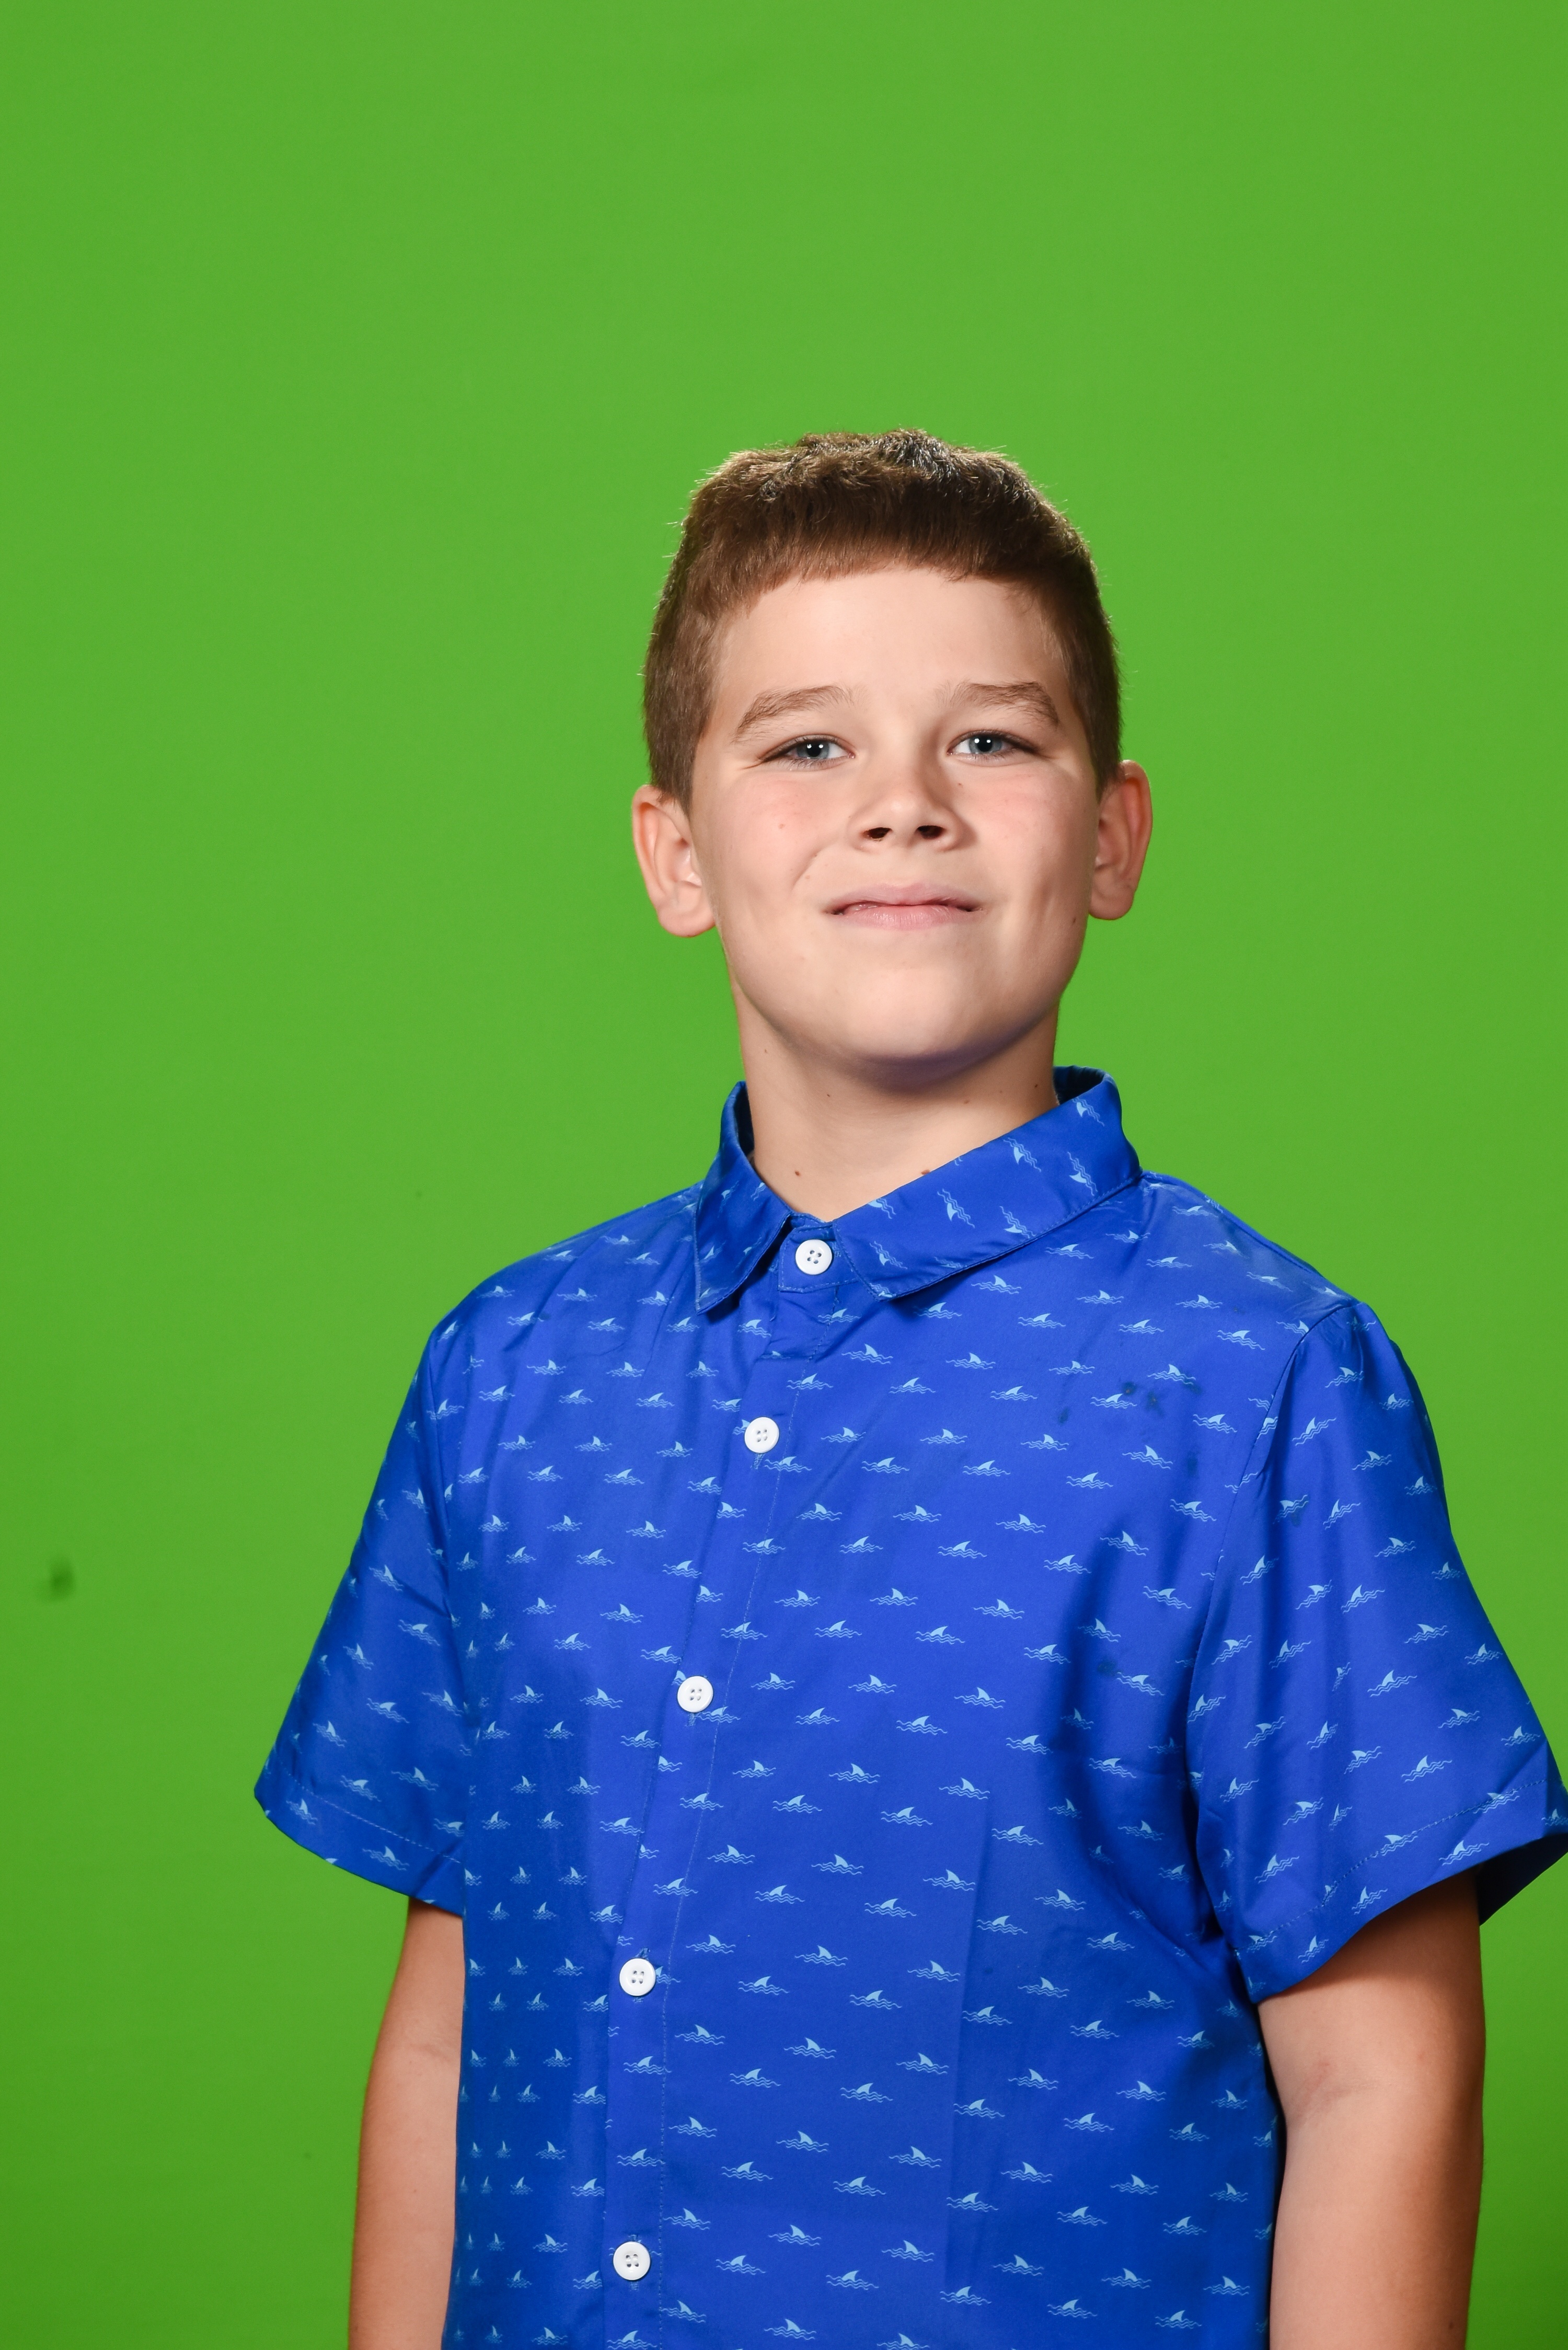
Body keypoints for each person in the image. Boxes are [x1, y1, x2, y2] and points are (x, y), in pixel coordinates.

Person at [257, 431, 1566, 2349]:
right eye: (808, 746)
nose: (903, 810)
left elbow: (1386, 2080)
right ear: (675, 854)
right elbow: (454, 2033)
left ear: (1110, 837)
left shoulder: (1259, 1383)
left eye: (991, 741)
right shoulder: (513, 1373)